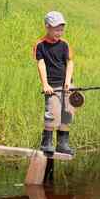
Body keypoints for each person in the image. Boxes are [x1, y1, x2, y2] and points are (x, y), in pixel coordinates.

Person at [33, 11, 75, 155]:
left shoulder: (64, 44)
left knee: (67, 113)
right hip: (51, 85)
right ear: (47, 27)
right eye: (56, 29)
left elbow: (70, 62)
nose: (59, 32)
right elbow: (41, 64)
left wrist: (68, 82)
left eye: (62, 29)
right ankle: (46, 143)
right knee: (52, 113)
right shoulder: (40, 45)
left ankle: (63, 144)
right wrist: (45, 84)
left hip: (66, 85)